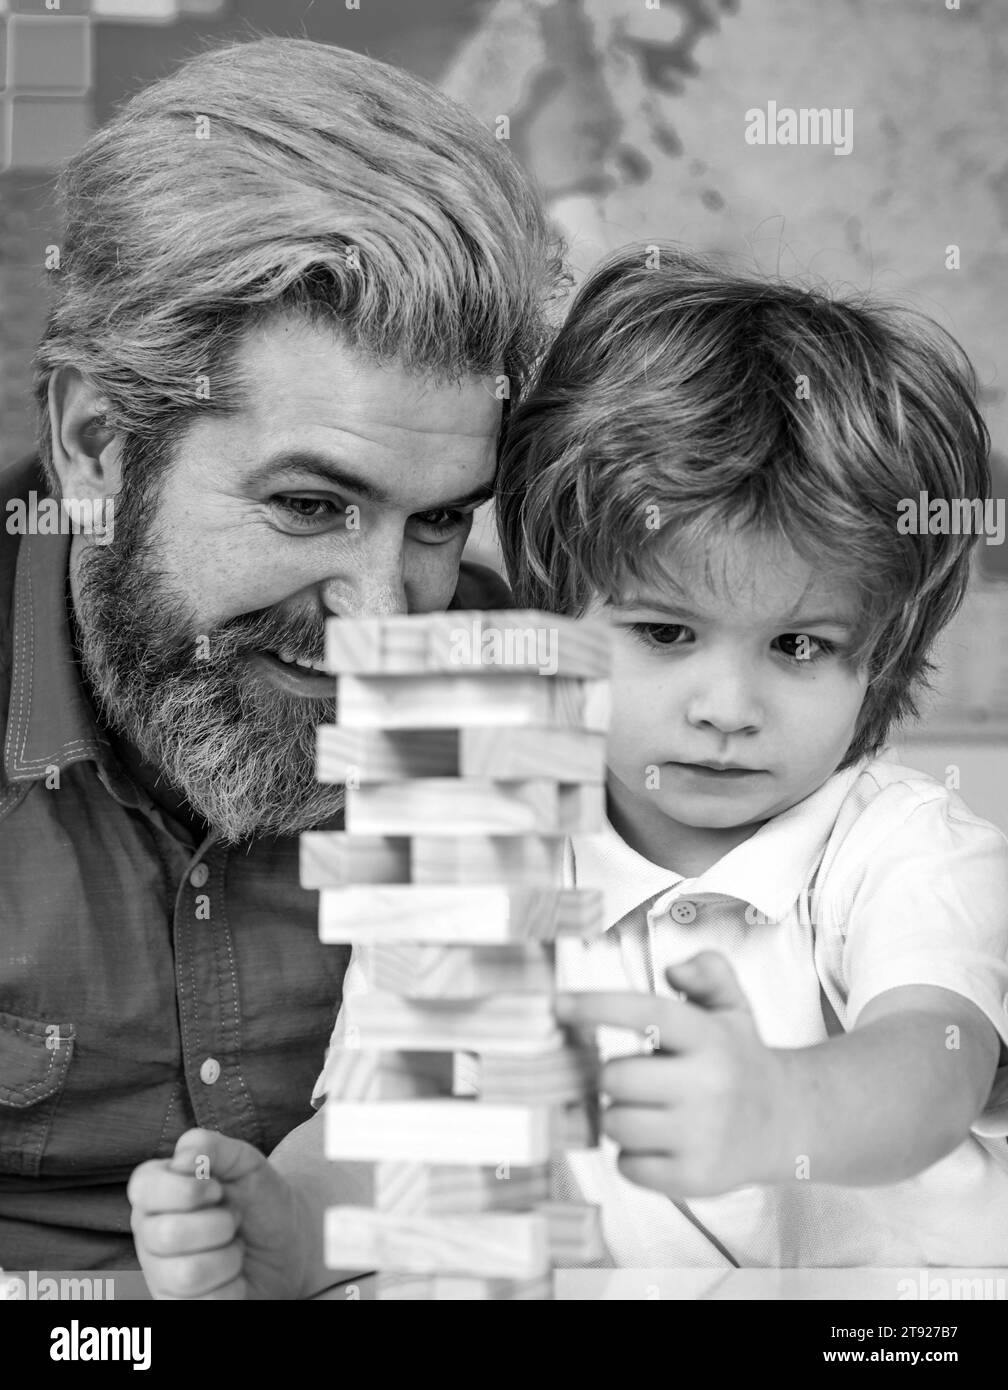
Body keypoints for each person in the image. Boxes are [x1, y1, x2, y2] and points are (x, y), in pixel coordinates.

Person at [127, 245, 1008, 1295]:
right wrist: (294, 1228)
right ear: (555, 611)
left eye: (801, 646)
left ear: (883, 654)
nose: (727, 708)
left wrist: (787, 1108)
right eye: (666, 632)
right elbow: (406, 1136)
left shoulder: (903, 842)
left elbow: (934, 1063)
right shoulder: (470, 798)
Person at [0, 34, 562, 1269]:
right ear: (96, 443)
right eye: (310, 505)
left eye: (439, 521)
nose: (383, 619)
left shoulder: (503, 710)